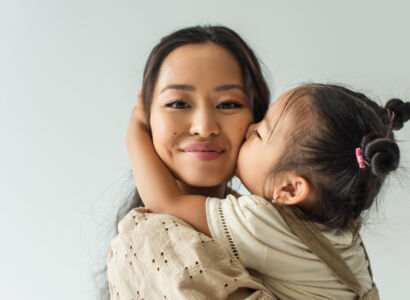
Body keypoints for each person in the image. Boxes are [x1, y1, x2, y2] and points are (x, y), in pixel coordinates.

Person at [126, 82, 410, 299]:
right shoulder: (344, 231)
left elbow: (167, 203)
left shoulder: (263, 221)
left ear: (289, 188)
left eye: (260, 133)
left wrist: (136, 131)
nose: (249, 129)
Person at [106, 25, 276, 299]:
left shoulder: (269, 223)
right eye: (178, 104)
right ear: (147, 118)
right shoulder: (151, 240)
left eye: (228, 104)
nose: (204, 127)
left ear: (258, 120)